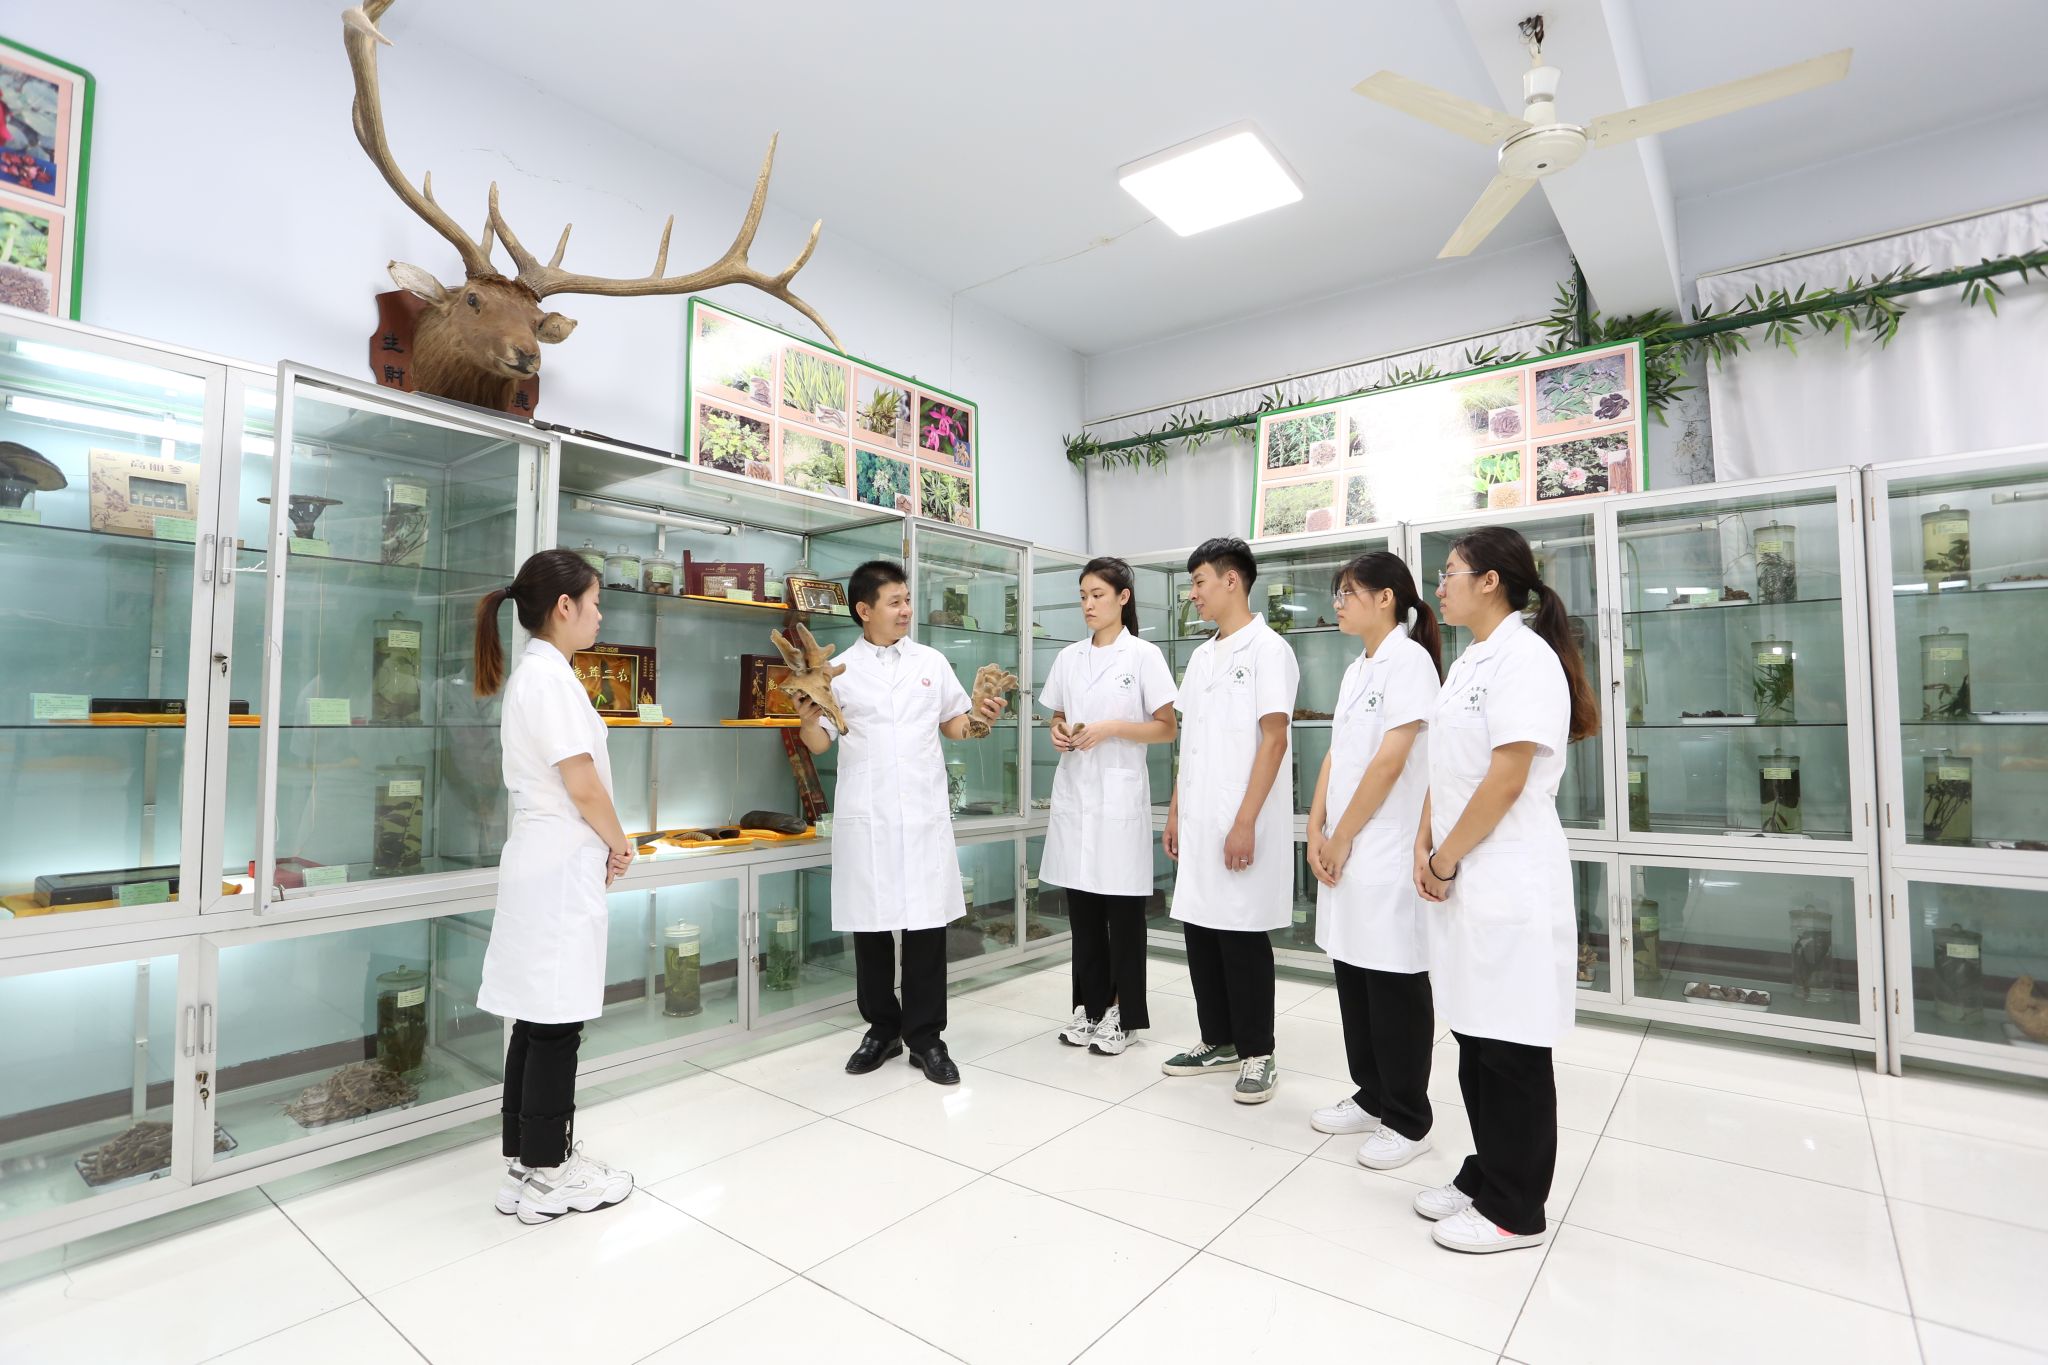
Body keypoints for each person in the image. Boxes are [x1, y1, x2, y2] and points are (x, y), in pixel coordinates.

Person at [1411, 526, 1598, 1254]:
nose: (1440, 585)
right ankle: (1487, 1171)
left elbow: (1506, 777)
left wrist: (1444, 858)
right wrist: (1428, 846)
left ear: (1490, 581)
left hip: (1506, 872)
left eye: (1450, 572)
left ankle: (1516, 1208)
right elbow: (1446, 768)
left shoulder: (1527, 659)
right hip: (1466, 870)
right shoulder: (1470, 660)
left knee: (1511, 1043)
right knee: (1474, 1031)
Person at [795, 559, 1005, 1085]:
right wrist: (805, 717)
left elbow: (955, 725)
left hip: (921, 813)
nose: (906, 609)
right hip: (868, 816)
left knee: (926, 925)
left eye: (907, 599)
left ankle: (926, 1037)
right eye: (895, 602)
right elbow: (819, 742)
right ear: (864, 610)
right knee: (870, 926)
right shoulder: (838, 670)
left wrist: (981, 718)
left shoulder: (930, 662)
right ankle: (882, 1029)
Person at [473, 548, 636, 1225]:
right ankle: (549, 1174)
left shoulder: (541, 676)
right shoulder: (548, 680)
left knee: (537, 1018)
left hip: (543, 861)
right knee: (555, 1023)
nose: (600, 615)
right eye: (594, 603)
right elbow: (583, 784)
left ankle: (526, 1163)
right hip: (559, 862)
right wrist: (620, 841)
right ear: (564, 607)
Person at [1306, 551, 1444, 1170]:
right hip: (1347, 843)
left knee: (1393, 983)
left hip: (1382, 847)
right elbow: (1337, 754)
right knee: (1354, 975)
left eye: (1348, 593)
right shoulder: (1356, 669)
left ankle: (1408, 1119)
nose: (1338, 604)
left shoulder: (1409, 662)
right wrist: (1315, 826)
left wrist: (1342, 837)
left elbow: (1390, 762)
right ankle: (1372, 1095)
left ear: (1386, 598)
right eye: (1337, 594)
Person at [1161, 537, 1299, 1104]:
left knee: (1241, 934)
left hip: (1242, 816)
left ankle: (1258, 1051)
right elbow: (1189, 743)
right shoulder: (1201, 657)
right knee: (1200, 929)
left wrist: (1244, 822)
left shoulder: (1269, 651)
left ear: (1232, 580)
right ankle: (1216, 1039)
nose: (1193, 594)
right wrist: (1175, 811)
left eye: (1199, 582)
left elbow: (1274, 740)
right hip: (1198, 819)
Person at [1039, 557, 1178, 1056]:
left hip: (1118, 798)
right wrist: (1058, 731)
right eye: (1083, 596)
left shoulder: (1143, 656)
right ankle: (1090, 1006)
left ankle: (1124, 1013)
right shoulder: (1069, 657)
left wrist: (1112, 728)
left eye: (1098, 594)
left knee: (1122, 912)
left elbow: (1167, 728)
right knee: (1083, 910)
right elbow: (1058, 713)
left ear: (1123, 597)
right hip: (1077, 793)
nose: (1088, 604)